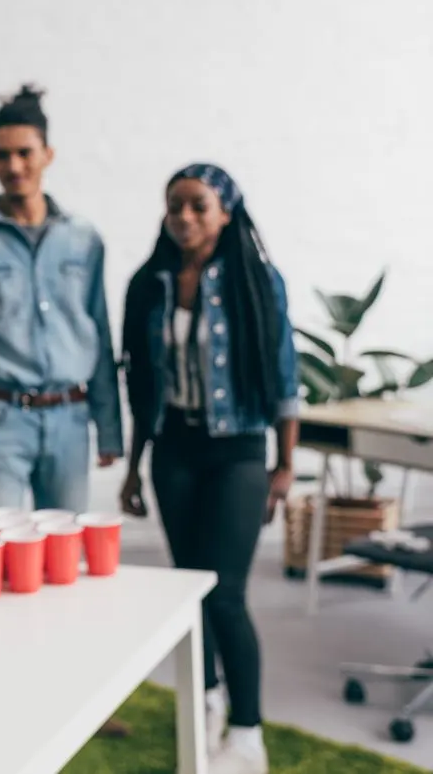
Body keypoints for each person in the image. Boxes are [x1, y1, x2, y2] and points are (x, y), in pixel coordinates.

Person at [120, 163, 299, 774]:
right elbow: (142, 386)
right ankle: (208, 700)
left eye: (198, 205)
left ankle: (249, 735)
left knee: (226, 594)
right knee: (189, 589)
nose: (185, 217)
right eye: (175, 206)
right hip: (175, 451)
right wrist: (134, 468)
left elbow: (283, 377)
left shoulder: (257, 279)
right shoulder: (151, 283)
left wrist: (285, 465)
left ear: (226, 211)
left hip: (240, 451)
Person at [0, 84, 123, 513]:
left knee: (65, 561)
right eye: (2, 155)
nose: (14, 166)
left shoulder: (84, 240)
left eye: (25, 153)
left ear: (47, 154)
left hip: (71, 419)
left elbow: (100, 336)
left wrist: (109, 429)